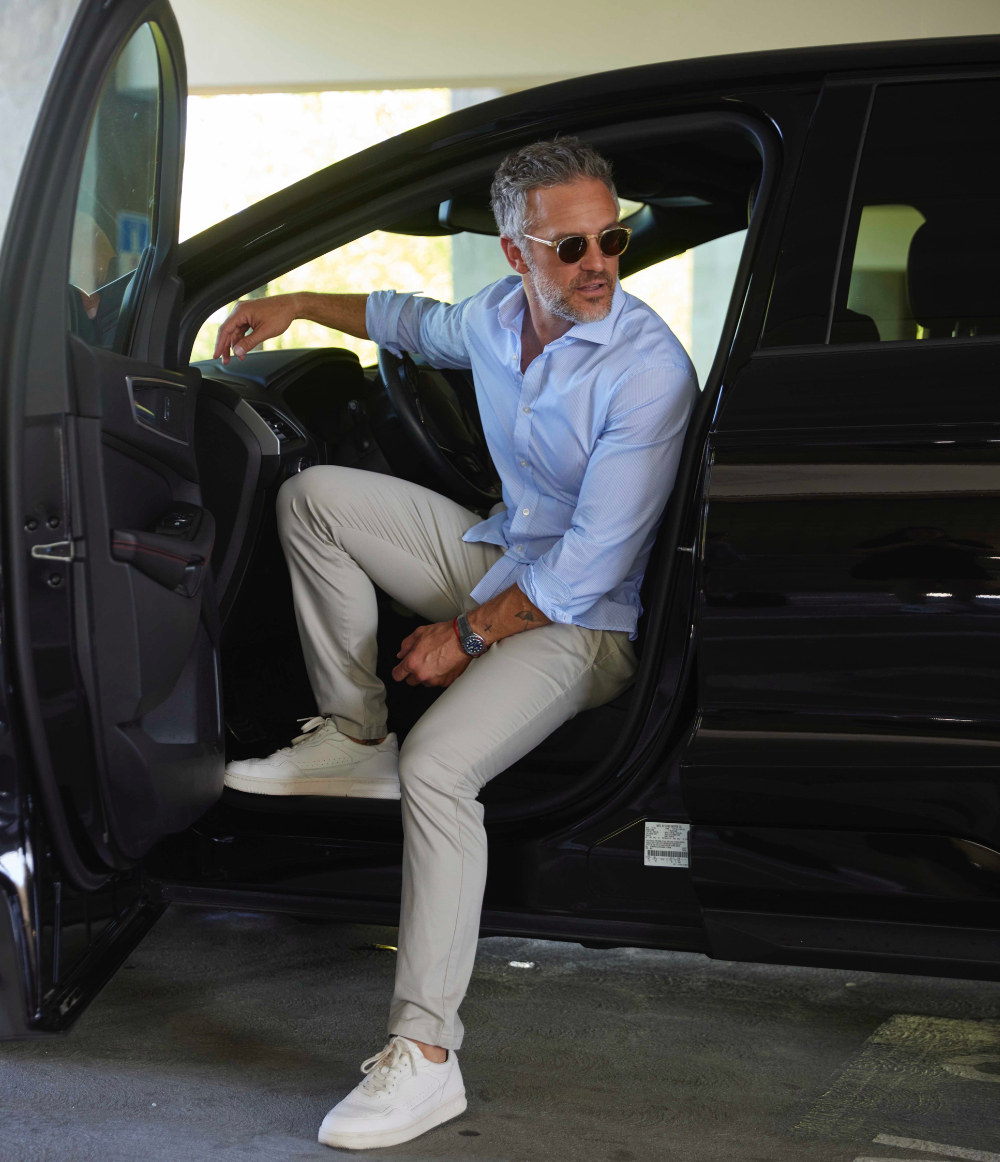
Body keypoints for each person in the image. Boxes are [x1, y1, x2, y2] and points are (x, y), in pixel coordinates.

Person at [214, 137, 697, 1151]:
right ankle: (353, 733)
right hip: (501, 555)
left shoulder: (648, 370)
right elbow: (404, 319)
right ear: (516, 254)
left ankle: (425, 1055)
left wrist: (464, 636)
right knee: (316, 497)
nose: (600, 263)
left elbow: (587, 571)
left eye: (612, 238)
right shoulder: (494, 316)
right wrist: (295, 302)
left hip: (584, 622)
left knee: (436, 768)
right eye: (571, 247)